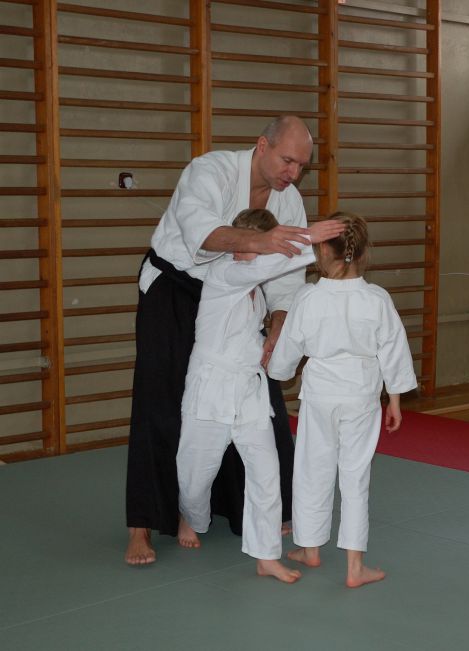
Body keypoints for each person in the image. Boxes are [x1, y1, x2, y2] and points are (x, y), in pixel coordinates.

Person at [125, 116, 329, 566]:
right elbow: (202, 233)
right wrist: (262, 239)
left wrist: (279, 325)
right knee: (161, 400)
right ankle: (142, 523)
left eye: (302, 165)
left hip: (243, 289)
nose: (293, 173)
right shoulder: (210, 171)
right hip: (175, 286)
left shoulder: (289, 199)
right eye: (288, 160)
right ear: (262, 146)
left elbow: (286, 277)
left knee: (257, 396)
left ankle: (247, 507)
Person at [175, 209, 341, 583]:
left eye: (253, 245)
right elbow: (261, 267)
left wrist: (265, 347)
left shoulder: (257, 290)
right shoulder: (224, 273)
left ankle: (266, 555)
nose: (241, 250)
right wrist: (313, 240)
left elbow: (260, 296)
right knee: (195, 477)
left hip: (248, 389)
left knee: (266, 473)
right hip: (211, 388)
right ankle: (190, 515)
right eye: (240, 242)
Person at [269, 212, 417, 588]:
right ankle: (355, 566)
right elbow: (394, 350)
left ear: (321, 251)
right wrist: (395, 399)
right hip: (361, 395)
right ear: (363, 253)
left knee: (312, 469)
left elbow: (287, 353)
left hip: (320, 395)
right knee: (355, 476)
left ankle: (310, 548)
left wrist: (279, 371)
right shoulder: (376, 298)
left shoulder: (308, 297)